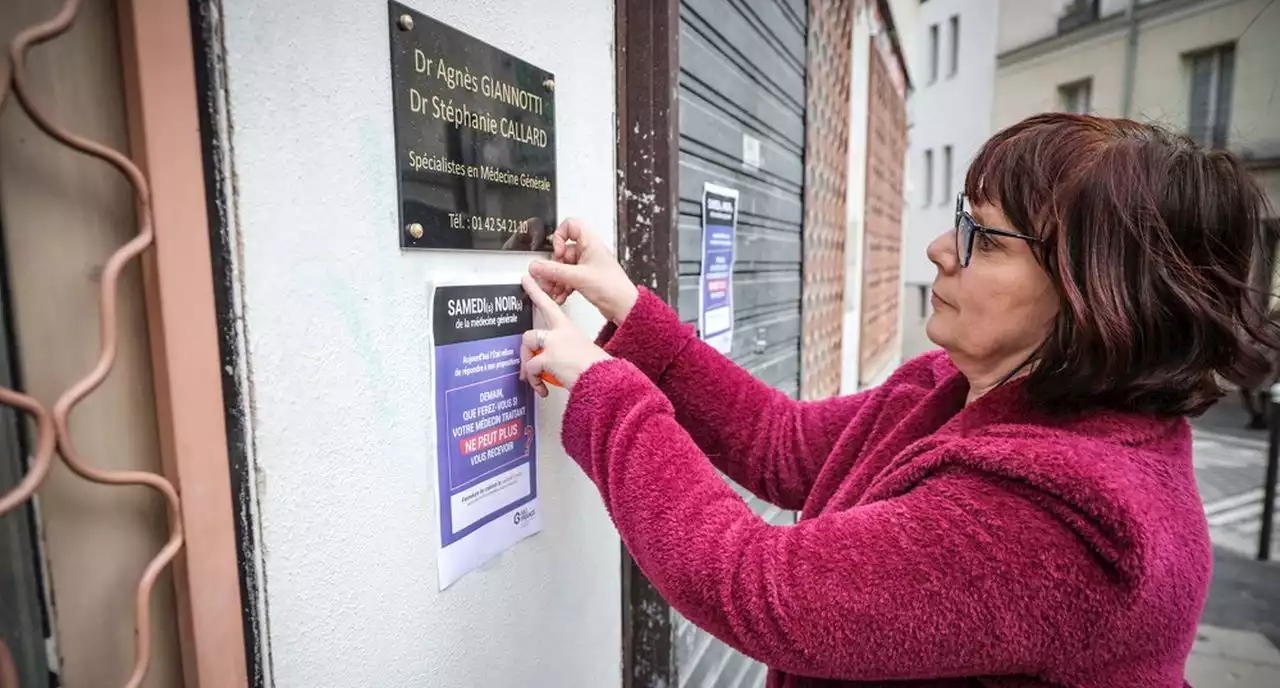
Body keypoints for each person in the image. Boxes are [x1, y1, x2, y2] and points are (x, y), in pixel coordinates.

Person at [518, 113, 1277, 687]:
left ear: (1098, 294)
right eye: (961, 219)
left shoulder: (1067, 514)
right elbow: (780, 444)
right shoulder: (955, 388)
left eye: (986, 236)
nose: (941, 249)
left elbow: (757, 586)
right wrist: (629, 310)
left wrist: (606, 394)